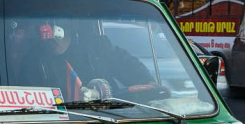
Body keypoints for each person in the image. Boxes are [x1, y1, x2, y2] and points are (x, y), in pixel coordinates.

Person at [19, 19, 152, 100]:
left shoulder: (97, 48)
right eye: (45, 33)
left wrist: (149, 83)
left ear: (69, 29)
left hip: (112, 119)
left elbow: (127, 64)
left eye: (57, 31)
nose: (51, 38)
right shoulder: (31, 62)